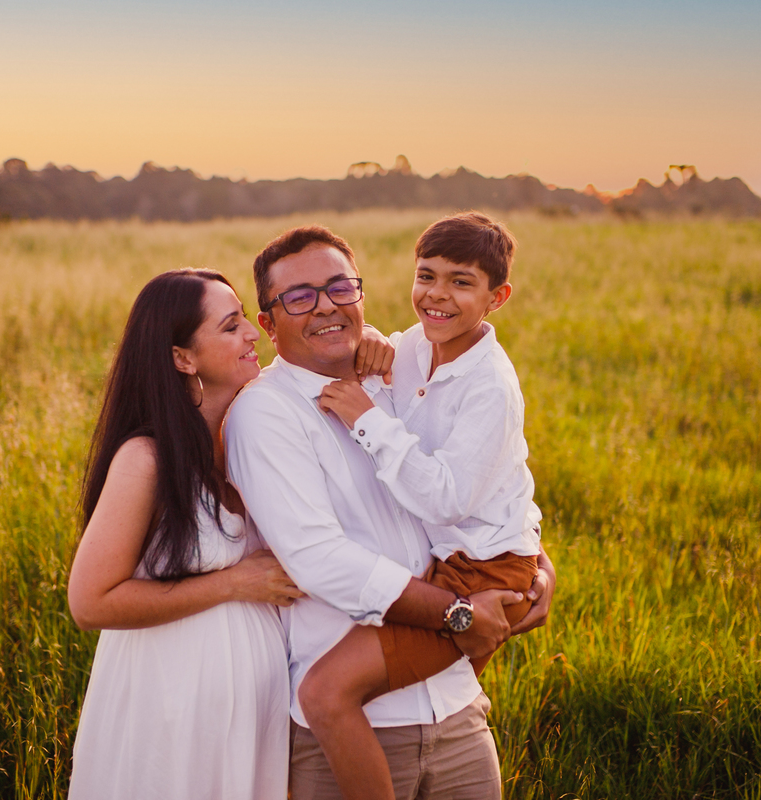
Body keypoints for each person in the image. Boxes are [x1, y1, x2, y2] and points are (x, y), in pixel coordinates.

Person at [225, 226, 556, 800]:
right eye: (300, 297)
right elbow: (320, 559)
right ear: (269, 325)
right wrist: (457, 615)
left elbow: (478, 478)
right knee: (327, 693)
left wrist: (535, 563)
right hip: (362, 731)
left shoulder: (396, 374)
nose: (326, 304)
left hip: (456, 712)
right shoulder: (266, 414)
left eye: (339, 287)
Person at [66, 268, 393, 799]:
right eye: (230, 326)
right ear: (182, 358)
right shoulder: (146, 459)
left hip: (253, 720)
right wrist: (234, 584)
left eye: (245, 318)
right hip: (172, 712)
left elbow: (314, 365)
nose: (251, 334)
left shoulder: (250, 429)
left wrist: (367, 342)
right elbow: (90, 602)